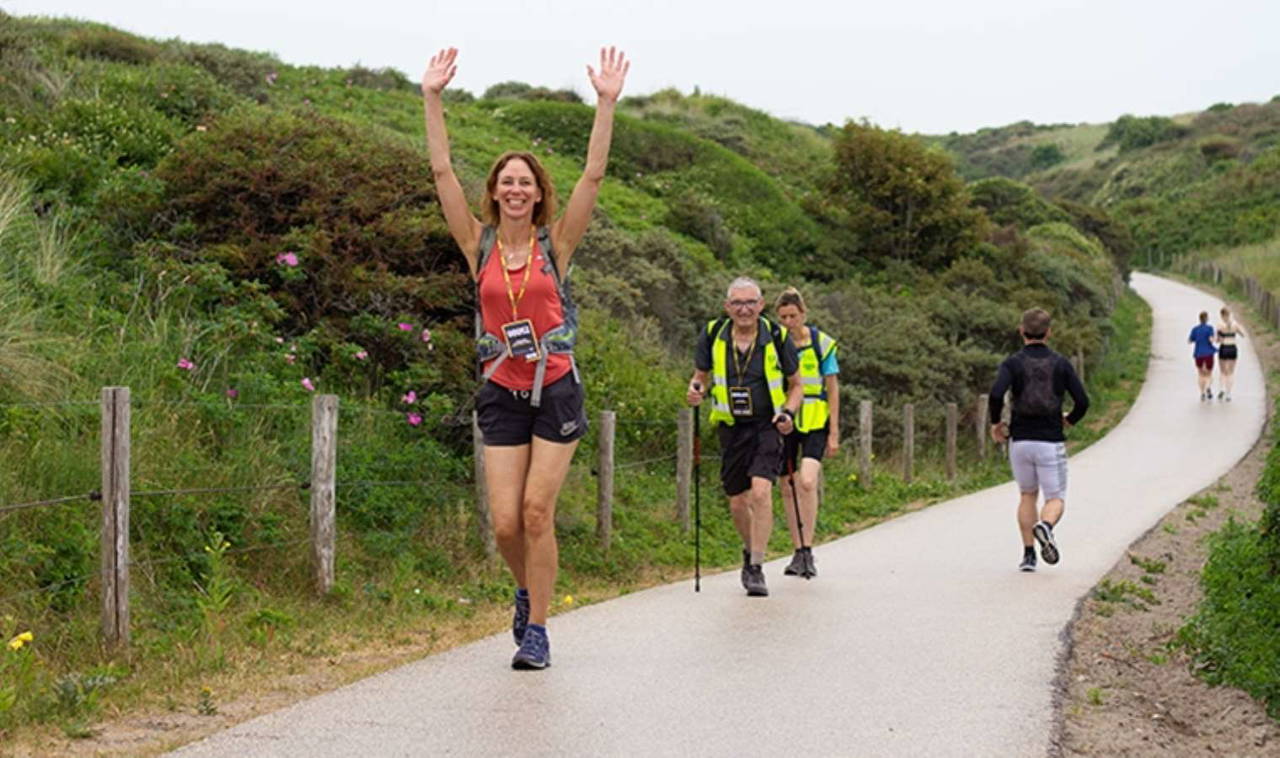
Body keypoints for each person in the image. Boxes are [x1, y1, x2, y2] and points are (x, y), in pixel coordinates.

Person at [422, 46, 629, 669]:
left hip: (556, 387)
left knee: (538, 512)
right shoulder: (476, 244)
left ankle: (537, 630)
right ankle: (525, 589)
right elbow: (440, 174)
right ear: (496, 192)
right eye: (506, 181)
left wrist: (605, 104)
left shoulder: (556, 244)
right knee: (506, 525)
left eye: (526, 181)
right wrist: (431, 97)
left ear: (540, 194)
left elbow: (592, 176)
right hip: (501, 390)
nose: (516, 189)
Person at [686, 277, 803, 597]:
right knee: (738, 501)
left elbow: (797, 386)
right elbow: (700, 378)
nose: (744, 309)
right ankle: (748, 549)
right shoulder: (712, 334)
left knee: (761, 492)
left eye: (750, 303)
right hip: (730, 426)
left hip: (767, 424)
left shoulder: (777, 336)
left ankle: (756, 566)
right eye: (737, 303)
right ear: (727, 307)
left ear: (761, 305)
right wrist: (696, 391)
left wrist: (788, 414)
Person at [989, 308, 1089, 573]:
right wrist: (1069, 420)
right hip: (1049, 440)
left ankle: (1029, 555)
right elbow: (1083, 401)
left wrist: (996, 423)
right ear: (1049, 332)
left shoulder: (1012, 363)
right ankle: (1045, 527)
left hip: (1020, 441)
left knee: (1027, 495)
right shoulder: (1060, 363)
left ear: (1021, 331)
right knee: (1055, 498)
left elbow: (997, 393)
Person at [773, 287, 839, 579]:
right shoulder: (773, 344)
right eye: (783, 317)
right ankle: (797, 550)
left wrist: (834, 432)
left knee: (807, 481)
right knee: (787, 485)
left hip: (815, 418)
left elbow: (833, 388)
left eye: (793, 316)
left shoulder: (822, 344)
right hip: (784, 418)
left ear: (803, 314)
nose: (788, 322)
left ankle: (808, 548)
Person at [1214, 307, 1244, 401]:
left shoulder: (1220, 325)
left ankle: (1221, 389)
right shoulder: (1235, 324)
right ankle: (1228, 394)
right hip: (1232, 348)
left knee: (1223, 372)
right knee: (1231, 372)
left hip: (1223, 348)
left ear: (1222, 315)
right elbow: (1242, 334)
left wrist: (1221, 337)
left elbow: (1217, 340)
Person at [1188, 311, 1217, 401]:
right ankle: (1208, 387)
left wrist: (1197, 339)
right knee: (1209, 373)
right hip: (1208, 353)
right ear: (1207, 319)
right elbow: (1211, 340)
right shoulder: (1209, 328)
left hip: (1198, 354)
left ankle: (1202, 393)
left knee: (1200, 374)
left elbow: (1189, 341)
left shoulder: (1195, 329)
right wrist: (1215, 339)